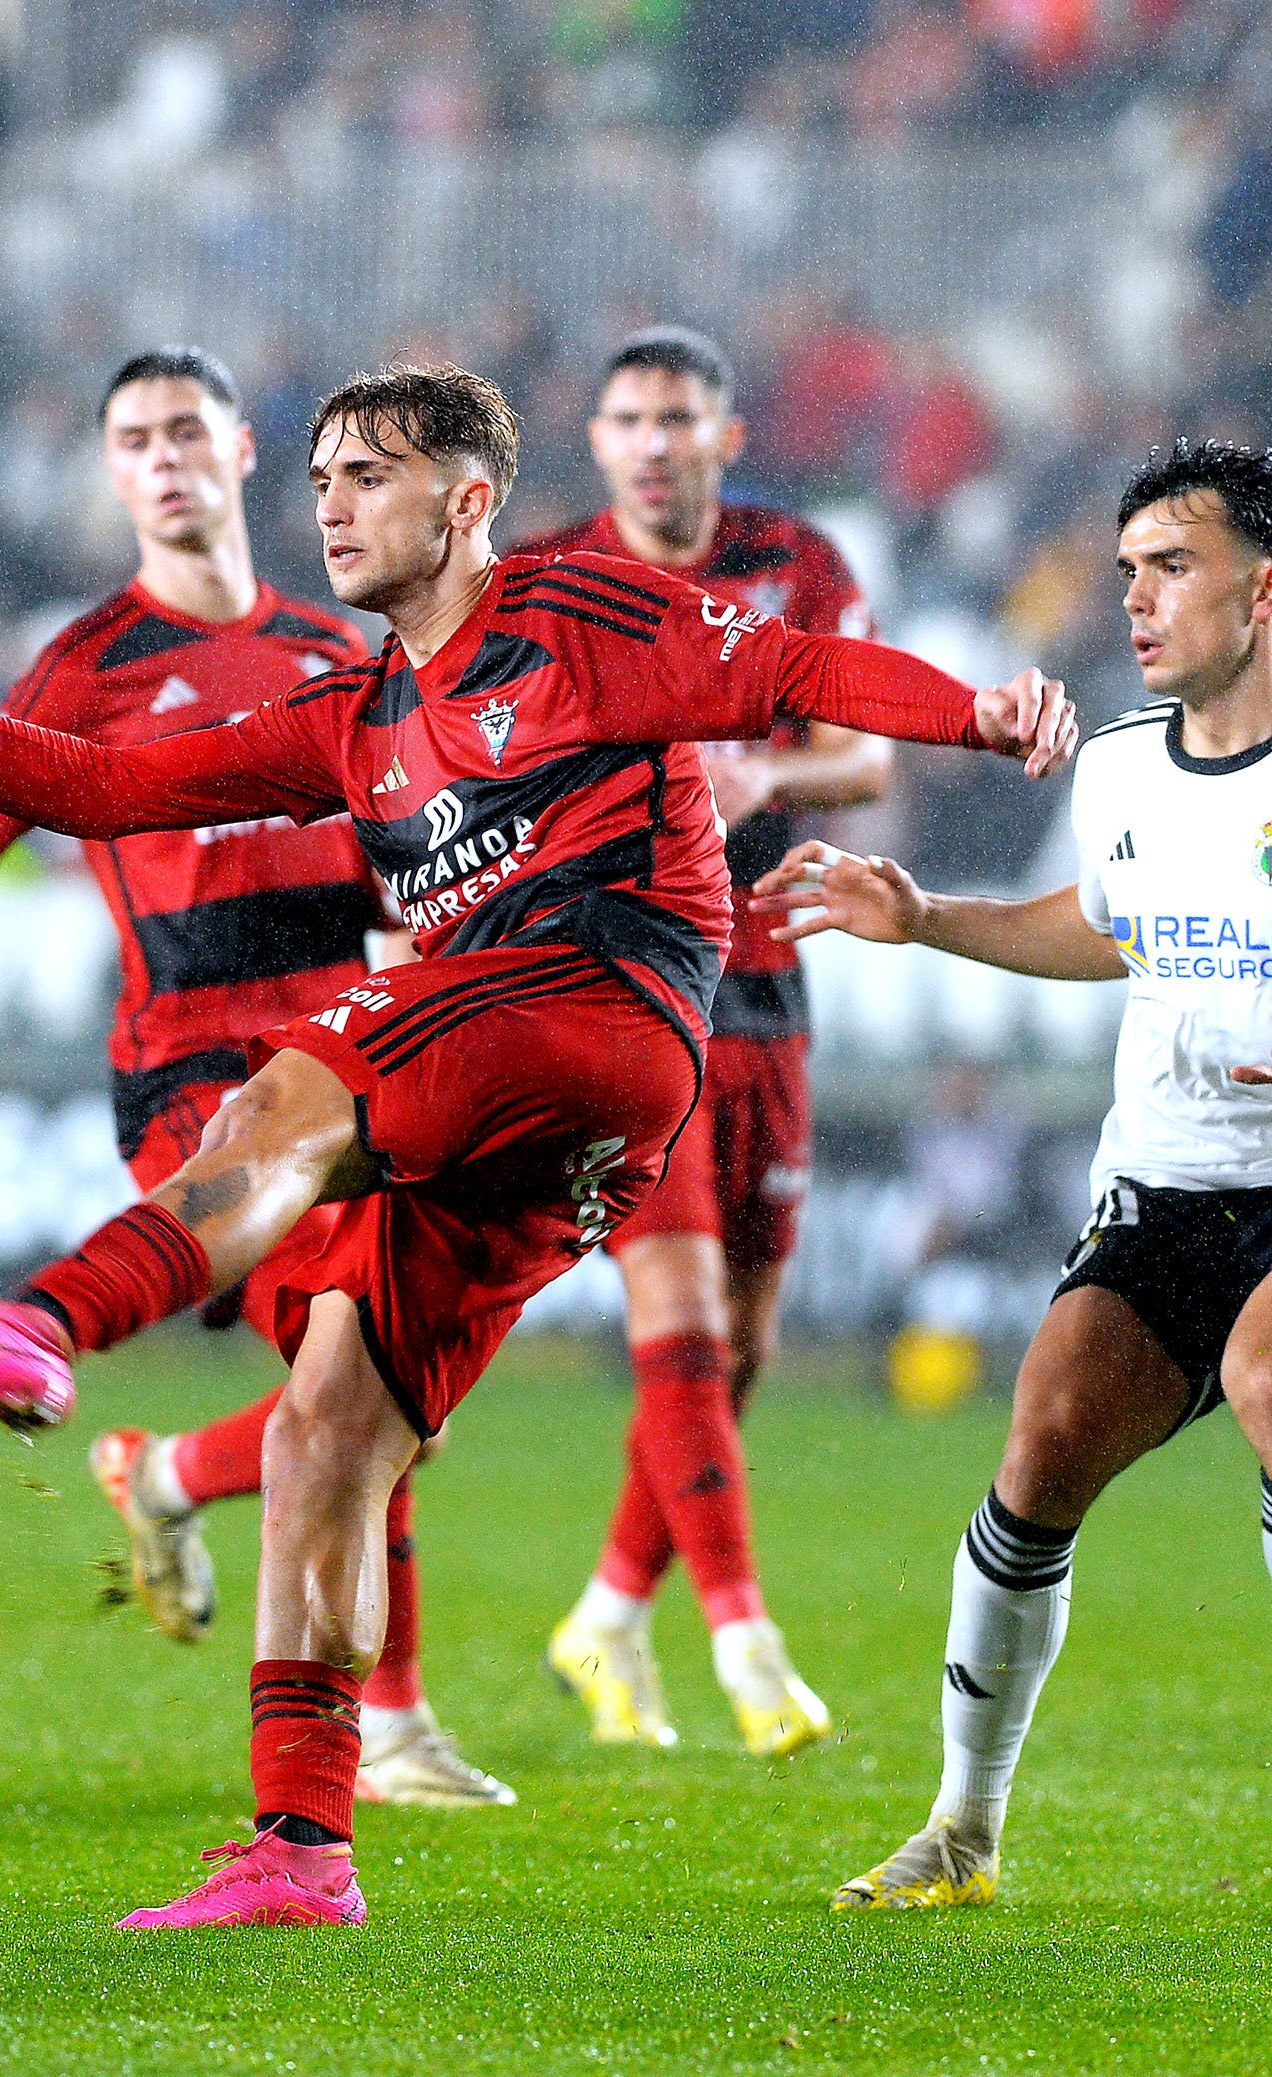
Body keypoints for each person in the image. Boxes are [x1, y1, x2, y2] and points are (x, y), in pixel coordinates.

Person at [0, 362, 1073, 1929]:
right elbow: (101, 789)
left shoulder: (578, 618)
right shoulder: (358, 713)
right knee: (332, 1421)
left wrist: (979, 714)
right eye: (320, 478)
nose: (329, 505)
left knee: (282, 1094)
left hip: (593, 996)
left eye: (369, 477)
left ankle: (37, 1326)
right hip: (559, 1125)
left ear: (465, 503)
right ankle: (301, 1846)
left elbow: (798, 664)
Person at [771, 441, 1272, 1920]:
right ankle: (961, 1829)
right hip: (1167, 1181)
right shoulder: (1120, 762)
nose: (1133, 597)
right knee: (1039, 1443)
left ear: (1268, 589)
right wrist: (924, 916)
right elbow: (1104, 926)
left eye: (1168, 566)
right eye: (1124, 570)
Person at [0, 346, 509, 1809]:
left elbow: (417, 834)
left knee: (375, 1383)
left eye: (186, 431)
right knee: (349, 1366)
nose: (162, 457)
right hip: (189, 1080)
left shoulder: (339, 645)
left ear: (241, 454)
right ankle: (395, 1724)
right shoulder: (85, 665)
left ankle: (165, 1478)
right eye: (133, 440)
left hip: (351, 1061)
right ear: (113, 474)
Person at [522, 326, 891, 1759]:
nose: (656, 440)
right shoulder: (547, 581)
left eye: (681, 417)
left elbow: (864, 750)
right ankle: (747, 1642)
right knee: (669, 1316)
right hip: (621, 987)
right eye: (629, 418)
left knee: (737, 1350)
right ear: (599, 441)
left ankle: (608, 1612)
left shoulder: (794, 565)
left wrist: (763, 767)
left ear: (725, 436)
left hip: (769, 979)